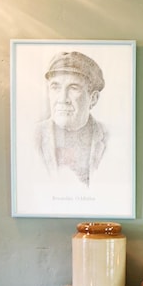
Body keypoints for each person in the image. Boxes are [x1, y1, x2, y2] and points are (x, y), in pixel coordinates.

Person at [35, 50, 108, 186]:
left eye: (74, 88)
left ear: (93, 99)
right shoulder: (32, 136)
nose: (62, 99)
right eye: (55, 87)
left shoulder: (111, 139)